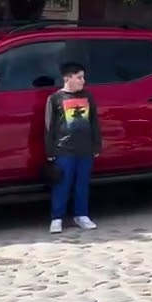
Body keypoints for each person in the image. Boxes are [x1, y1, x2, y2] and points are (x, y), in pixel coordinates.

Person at [44, 61, 101, 234]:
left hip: (85, 149)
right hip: (64, 149)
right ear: (67, 78)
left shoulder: (88, 97)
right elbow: (49, 126)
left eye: (83, 77)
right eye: (79, 77)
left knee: (82, 183)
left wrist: (96, 144)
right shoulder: (55, 99)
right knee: (62, 184)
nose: (83, 81)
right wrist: (50, 150)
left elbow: (94, 122)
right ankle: (57, 217)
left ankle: (81, 214)